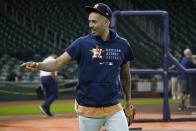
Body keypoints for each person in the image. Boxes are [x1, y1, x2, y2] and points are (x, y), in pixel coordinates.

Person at [21, 3, 134, 131]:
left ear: (106, 23)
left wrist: (128, 101)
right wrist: (38, 65)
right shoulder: (81, 43)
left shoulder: (123, 45)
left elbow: (125, 73)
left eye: (94, 22)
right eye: (90, 21)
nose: (91, 25)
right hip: (87, 109)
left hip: (113, 108)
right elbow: (58, 63)